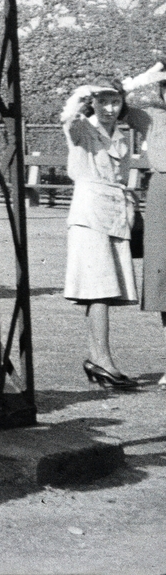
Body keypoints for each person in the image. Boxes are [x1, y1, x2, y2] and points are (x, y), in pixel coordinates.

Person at [60, 80, 144, 389]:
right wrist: (82, 92)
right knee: (99, 290)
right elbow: (67, 119)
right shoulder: (83, 128)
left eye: (116, 102)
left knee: (104, 291)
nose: (110, 108)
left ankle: (98, 358)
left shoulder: (120, 136)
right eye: (103, 101)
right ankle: (102, 360)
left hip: (115, 213)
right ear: (92, 103)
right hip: (90, 214)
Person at [123, 61, 166, 386]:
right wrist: (145, 76)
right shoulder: (152, 117)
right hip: (162, 195)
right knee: (163, 277)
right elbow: (104, 100)